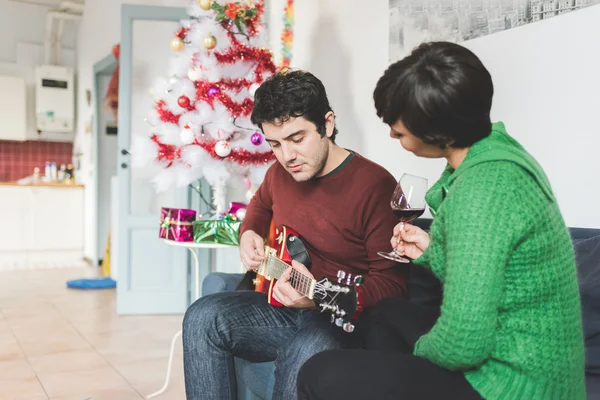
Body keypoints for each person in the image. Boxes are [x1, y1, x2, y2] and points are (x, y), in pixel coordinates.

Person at [297, 41, 586, 400]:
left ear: (437, 131)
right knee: (383, 313)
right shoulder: (496, 152)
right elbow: (491, 266)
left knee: (318, 373)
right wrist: (431, 252)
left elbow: (464, 344)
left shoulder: (482, 189)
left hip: (513, 383)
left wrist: (420, 354)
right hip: (505, 348)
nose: (391, 135)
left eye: (399, 132)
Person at [182, 69, 408, 400]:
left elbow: (393, 286)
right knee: (202, 316)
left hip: (342, 322)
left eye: (297, 139)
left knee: (306, 350)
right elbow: (258, 209)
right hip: (287, 310)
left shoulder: (376, 187)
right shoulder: (279, 175)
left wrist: (319, 296)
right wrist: (249, 235)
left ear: (327, 124)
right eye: (275, 144)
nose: (287, 156)